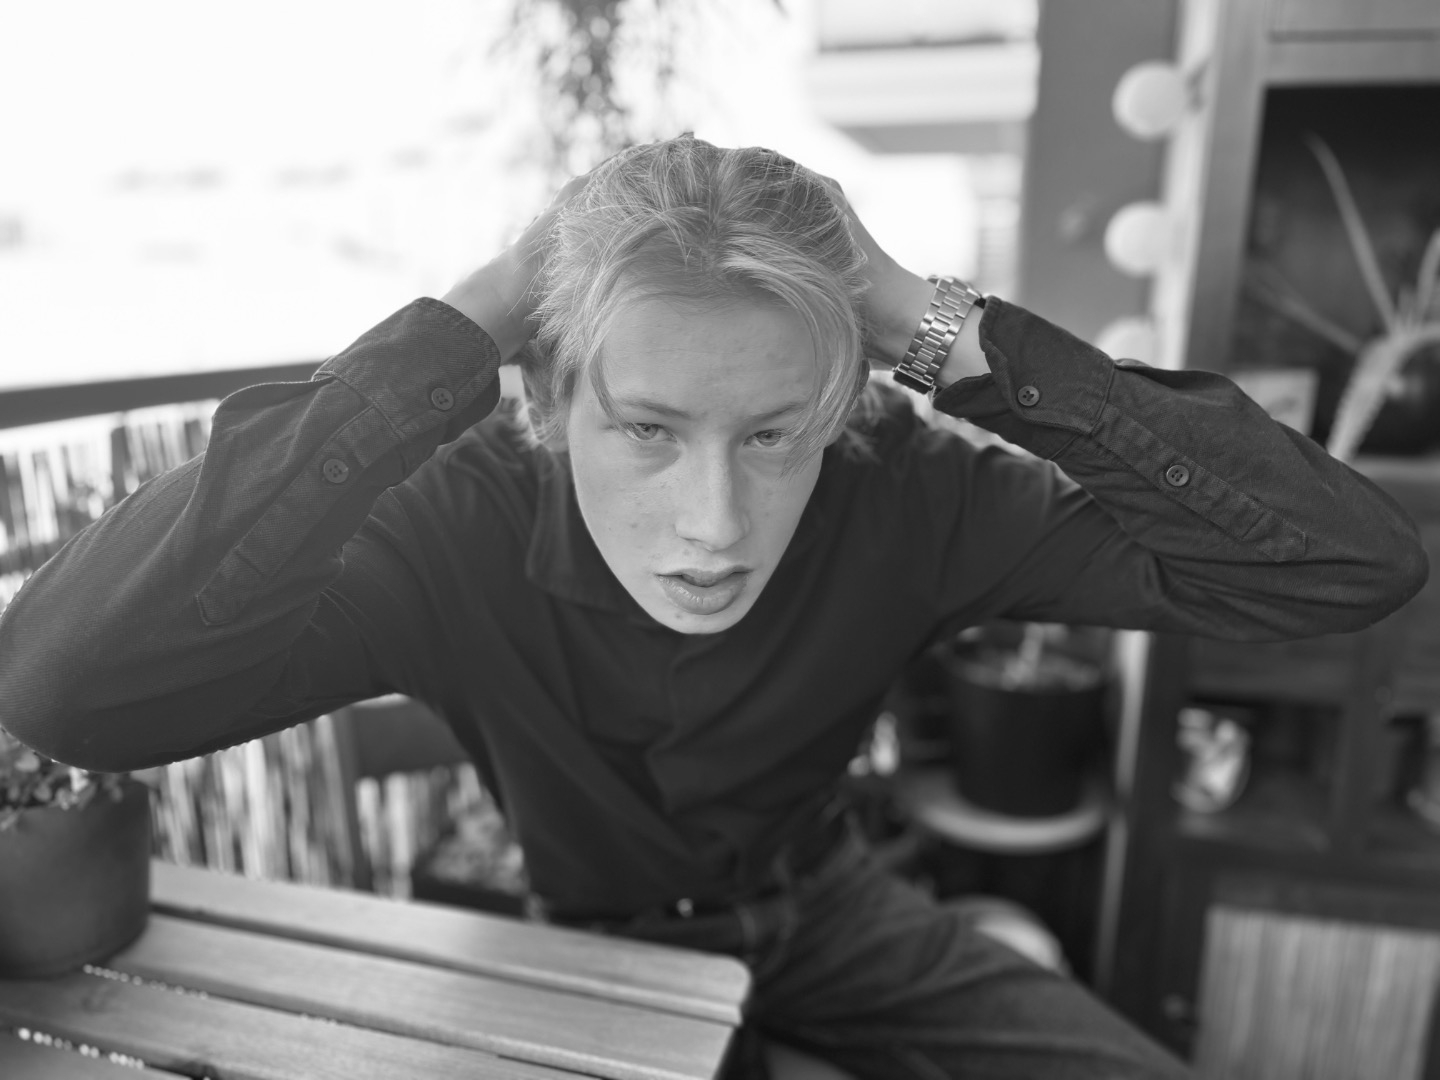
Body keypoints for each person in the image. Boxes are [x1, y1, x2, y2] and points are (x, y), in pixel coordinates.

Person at [0, 135, 1426, 1079]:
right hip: (578, 952)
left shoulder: (908, 487)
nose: (715, 524)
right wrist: (477, 315)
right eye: (648, 430)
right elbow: (69, 688)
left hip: (838, 917)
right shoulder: (455, 519)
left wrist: (923, 317)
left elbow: (1344, 564)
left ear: (840, 409)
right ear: (550, 403)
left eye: (772, 434)